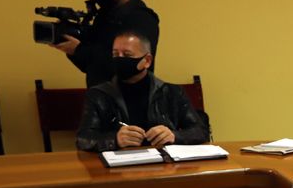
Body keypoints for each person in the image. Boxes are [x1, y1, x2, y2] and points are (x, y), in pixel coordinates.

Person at [76, 32, 209, 152]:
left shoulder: (172, 92)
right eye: (115, 54)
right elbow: (83, 139)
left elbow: (200, 131)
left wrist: (174, 136)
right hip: (118, 168)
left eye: (127, 55)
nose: (119, 59)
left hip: (165, 166)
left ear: (147, 61)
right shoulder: (99, 95)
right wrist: (115, 139)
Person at [51, 0, 160, 87]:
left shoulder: (141, 18)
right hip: (99, 98)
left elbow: (129, 64)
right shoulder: (103, 16)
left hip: (129, 101)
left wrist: (79, 50)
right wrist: (70, 47)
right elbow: (91, 67)